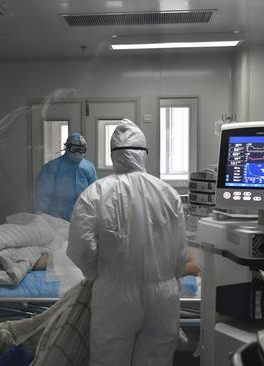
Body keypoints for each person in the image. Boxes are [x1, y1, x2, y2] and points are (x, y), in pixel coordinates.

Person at [67, 119, 187, 366]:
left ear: (114, 155)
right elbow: (180, 252)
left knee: (109, 358)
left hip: (114, 295)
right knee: (157, 359)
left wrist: (98, 275)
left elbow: (81, 249)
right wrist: (168, 278)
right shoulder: (168, 194)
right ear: (144, 154)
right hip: (162, 296)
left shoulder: (95, 193)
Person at [34, 133, 97, 221]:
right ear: (67, 148)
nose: (77, 153)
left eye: (81, 149)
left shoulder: (89, 167)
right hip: (56, 216)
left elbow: (94, 193)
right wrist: (39, 213)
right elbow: (43, 193)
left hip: (82, 215)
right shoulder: (52, 167)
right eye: (74, 149)